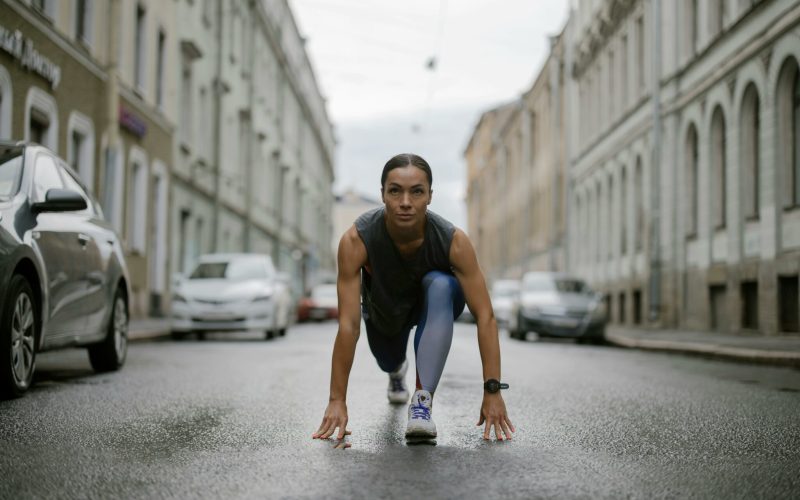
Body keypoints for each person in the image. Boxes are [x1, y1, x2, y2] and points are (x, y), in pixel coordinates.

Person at [312, 153, 514, 446]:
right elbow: (347, 325)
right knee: (388, 360)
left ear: (429, 196)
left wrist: (493, 391)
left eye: (416, 191)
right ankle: (397, 371)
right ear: (382, 194)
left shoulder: (454, 241)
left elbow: (485, 316)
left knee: (442, 284)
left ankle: (422, 402)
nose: (405, 201)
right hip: (385, 314)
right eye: (395, 191)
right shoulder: (357, 240)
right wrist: (336, 400)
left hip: (433, 309)